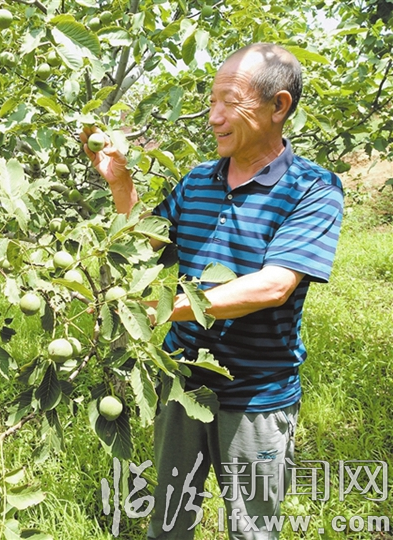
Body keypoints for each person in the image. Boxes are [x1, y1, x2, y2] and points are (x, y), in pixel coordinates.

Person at [82, 43, 344, 539]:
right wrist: (121, 184)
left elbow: (274, 285)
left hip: (256, 395)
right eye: (211, 102)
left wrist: (158, 311)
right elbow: (143, 246)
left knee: (252, 529)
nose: (213, 117)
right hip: (181, 384)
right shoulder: (197, 182)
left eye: (229, 102)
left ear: (278, 106)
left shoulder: (313, 188)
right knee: (170, 521)